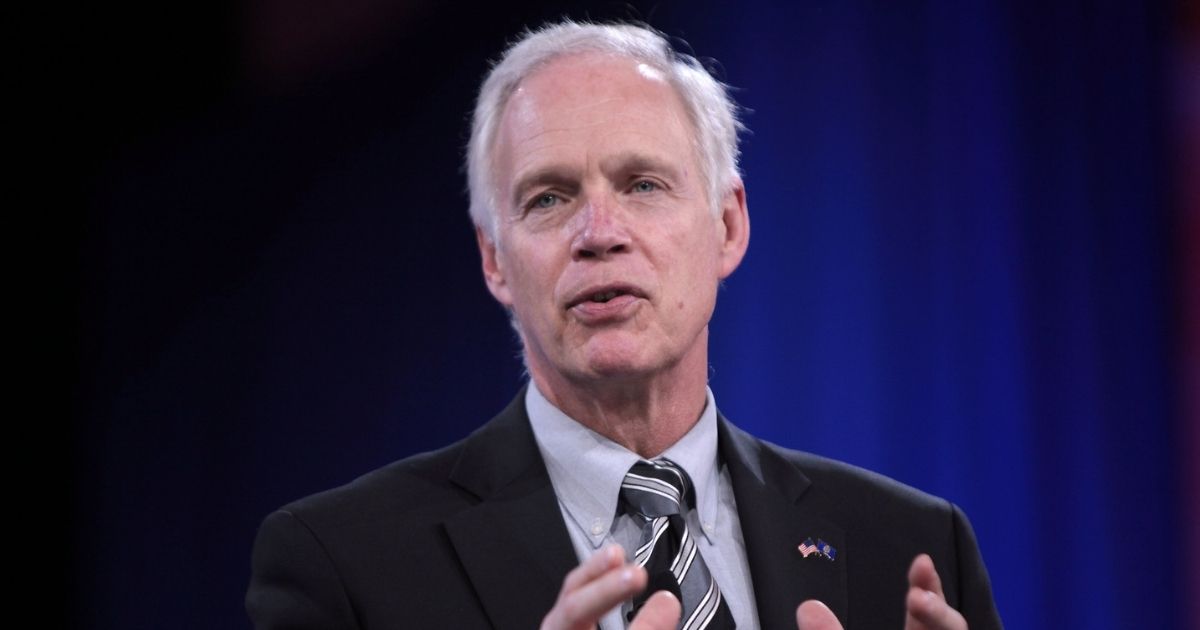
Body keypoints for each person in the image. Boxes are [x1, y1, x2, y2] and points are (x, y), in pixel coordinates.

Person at [246, 20, 1003, 630]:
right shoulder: (344, 566)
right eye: (548, 198)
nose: (599, 232)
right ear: (495, 261)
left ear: (729, 227)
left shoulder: (911, 550)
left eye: (642, 184)